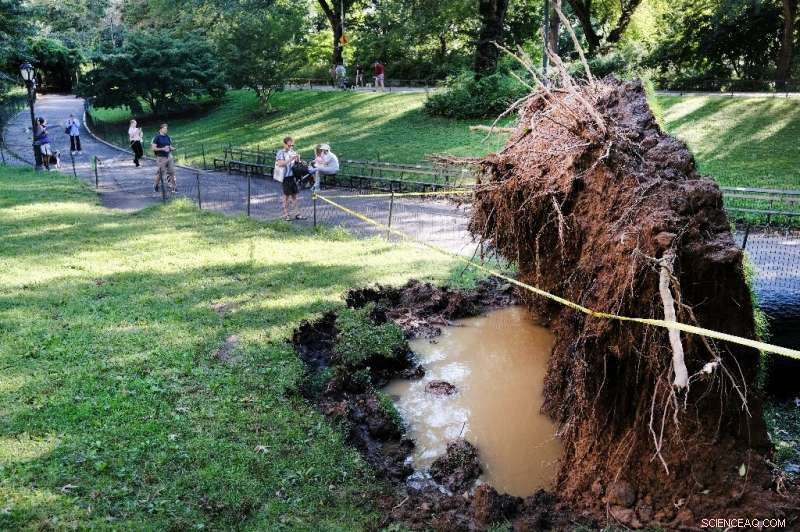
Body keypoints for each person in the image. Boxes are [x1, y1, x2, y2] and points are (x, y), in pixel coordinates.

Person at [275, 136, 306, 221]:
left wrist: (298, 159)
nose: (290, 147)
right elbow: (280, 164)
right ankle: (286, 215)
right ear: (284, 144)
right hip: (285, 177)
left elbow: (296, 164)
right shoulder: (280, 153)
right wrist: (291, 159)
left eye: (292, 145)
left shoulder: (293, 152)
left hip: (293, 177)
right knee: (286, 196)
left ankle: (297, 214)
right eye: (289, 145)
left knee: (295, 196)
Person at [151, 123, 177, 193]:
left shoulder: (167, 137)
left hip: (169, 156)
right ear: (161, 129)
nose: (166, 130)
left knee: (172, 172)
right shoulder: (157, 137)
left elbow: (169, 146)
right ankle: (155, 185)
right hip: (161, 157)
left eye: (167, 129)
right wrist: (162, 149)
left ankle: (174, 187)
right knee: (161, 172)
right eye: (165, 129)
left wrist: (172, 148)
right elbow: (153, 148)